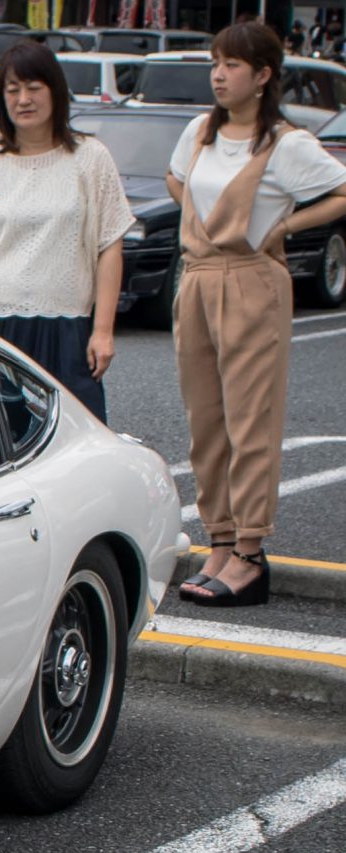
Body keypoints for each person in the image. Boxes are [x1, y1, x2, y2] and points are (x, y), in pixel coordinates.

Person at [170, 22, 346, 607]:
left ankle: (249, 553)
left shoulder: (285, 143)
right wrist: (203, 225)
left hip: (251, 282)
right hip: (196, 278)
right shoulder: (199, 132)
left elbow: (340, 190)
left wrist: (284, 225)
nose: (219, 74)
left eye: (233, 65)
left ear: (263, 75)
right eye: (215, 62)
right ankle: (219, 540)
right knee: (206, 421)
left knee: (251, 423)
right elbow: (177, 181)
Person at [0, 42, 133, 422]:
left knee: (79, 446)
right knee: (0, 452)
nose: (23, 100)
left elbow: (109, 245)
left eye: (33, 88)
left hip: (67, 330)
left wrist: (103, 331)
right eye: (12, 90)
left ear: (55, 91)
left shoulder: (90, 158)